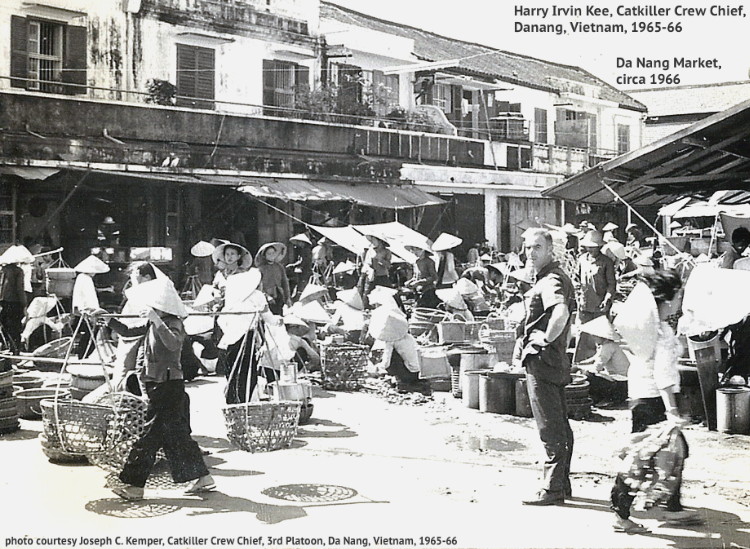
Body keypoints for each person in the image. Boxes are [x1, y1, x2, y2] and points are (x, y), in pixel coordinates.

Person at [106, 278, 214, 500]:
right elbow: (127, 331)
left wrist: (157, 321)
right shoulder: (153, 323)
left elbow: (174, 344)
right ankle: (203, 477)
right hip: (158, 383)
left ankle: (133, 485)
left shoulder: (172, 323)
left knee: (149, 435)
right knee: (176, 436)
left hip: (168, 385)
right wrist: (107, 318)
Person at [611, 270, 702, 532]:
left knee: (671, 451)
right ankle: (622, 514)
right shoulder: (660, 333)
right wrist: (672, 411)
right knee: (640, 459)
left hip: (642, 397)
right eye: (677, 296)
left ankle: (669, 506)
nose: (679, 301)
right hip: (653, 400)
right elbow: (663, 376)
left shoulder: (651, 331)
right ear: (666, 300)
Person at [519, 228, 575, 506]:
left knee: (549, 427)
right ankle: (561, 483)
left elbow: (561, 312)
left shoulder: (551, 279)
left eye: (537, 247)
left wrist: (544, 339)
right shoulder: (549, 277)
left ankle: (553, 489)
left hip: (543, 361)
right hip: (553, 361)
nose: (531, 252)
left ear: (550, 250)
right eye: (528, 247)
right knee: (559, 425)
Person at [219, 269, 279, 404]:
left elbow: (223, 321)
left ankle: (234, 401)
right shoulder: (257, 296)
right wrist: (277, 321)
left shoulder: (233, 297)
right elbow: (268, 316)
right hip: (247, 337)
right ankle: (247, 400)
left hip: (232, 337)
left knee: (234, 371)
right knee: (247, 370)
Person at [575, 230, 617, 362]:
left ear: (599, 246)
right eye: (589, 247)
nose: (591, 249)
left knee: (600, 336)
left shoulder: (606, 262)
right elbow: (576, 277)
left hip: (600, 306)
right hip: (584, 304)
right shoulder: (582, 260)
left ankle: (599, 365)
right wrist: (577, 288)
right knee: (582, 335)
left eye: (594, 247)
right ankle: (579, 363)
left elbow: (611, 284)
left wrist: (607, 298)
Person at [574, 316, 629, 404]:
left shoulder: (608, 347)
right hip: (622, 383)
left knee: (588, 376)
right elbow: (596, 357)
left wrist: (581, 369)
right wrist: (579, 364)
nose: (593, 339)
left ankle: (604, 398)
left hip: (620, 384)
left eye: (595, 337)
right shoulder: (607, 345)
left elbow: (598, 366)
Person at [72, 255, 110, 359]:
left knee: (88, 334)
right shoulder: (86, 279)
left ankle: (83, 355)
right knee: (90, 334)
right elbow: (90, 297)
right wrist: (95, 311)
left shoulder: (81, 277)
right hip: (88, 310)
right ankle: (84, 355)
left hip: (82, 309)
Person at [0, 245, 33, 354]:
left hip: (3, 301)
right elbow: (20, 289)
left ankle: (9, 347)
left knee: (6, 325)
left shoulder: (3, 270)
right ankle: (15, 349)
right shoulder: (18, 271)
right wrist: (24, 304)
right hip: (15, 302)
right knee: (16, 326)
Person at [255, 242, 291, 316]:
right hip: (267, 298)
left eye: (273, 253)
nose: (271, 255)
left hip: (279, 295)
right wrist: (267, 296)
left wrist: (288, 298)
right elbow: (258, 286)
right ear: (264, 255)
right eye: (269, 254)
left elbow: (285, 282)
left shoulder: (279, 267)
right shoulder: (261, 269)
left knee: (280, 316)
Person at [360, 235, 393, 306]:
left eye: (374, 240)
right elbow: (366, 263)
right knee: (367, 294)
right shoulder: (370, 250)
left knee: (388, 294)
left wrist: (380, 259)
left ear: (380, 241)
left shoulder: (386, 251)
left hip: (382, 275)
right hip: (371, 276)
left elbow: (388, 265)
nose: (372, 242)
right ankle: (366, 308)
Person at [405, 244, 439, 309]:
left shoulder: (429, 262)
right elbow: (415, 276)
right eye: (413, 250)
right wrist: (409, 282)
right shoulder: (416, 262)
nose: (414, 252)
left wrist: (419, 282)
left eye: (416, 250)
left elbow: (434, 277)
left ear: (422, 250)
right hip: (418, 291)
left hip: (428, 291)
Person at [287, 233, 313, 299]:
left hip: (305, 270)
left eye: (299, 242)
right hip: (305, 269)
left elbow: (303, 261)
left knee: (302, 284)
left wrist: (293, 265)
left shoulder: (305, 250)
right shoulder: (304, 249)